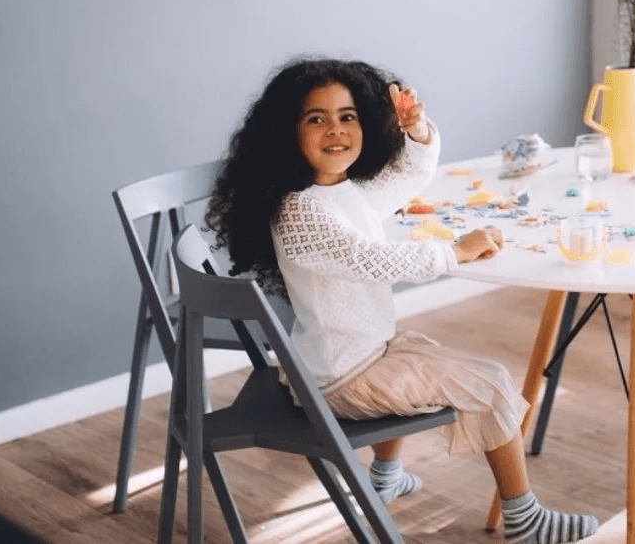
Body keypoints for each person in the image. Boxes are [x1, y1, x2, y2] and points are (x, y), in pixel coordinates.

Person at [206, 57, 597, 544]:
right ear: (287, 132)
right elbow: (373, 260)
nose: (336, 130)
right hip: (340, 379)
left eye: (347, 116)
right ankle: (526, 519)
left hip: (351, 355)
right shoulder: (300, 211)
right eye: (317, 118)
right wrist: (455, 251)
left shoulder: (339, 191)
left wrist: (417, 130)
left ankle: (384, 479)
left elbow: (408, 177)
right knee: (492, 383)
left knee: (418, 348)